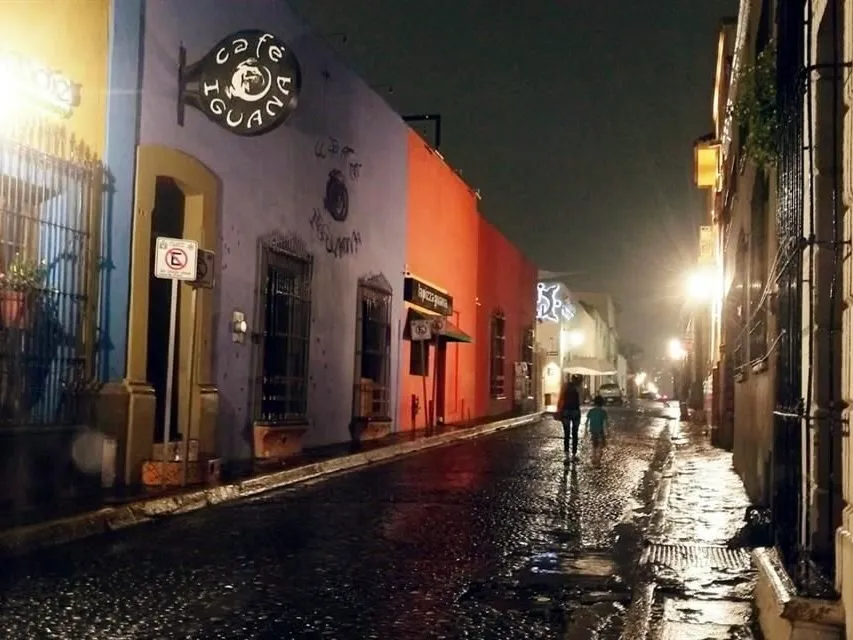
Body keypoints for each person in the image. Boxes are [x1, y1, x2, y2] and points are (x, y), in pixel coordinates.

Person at [557, 374, 583, 460]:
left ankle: (566, 454)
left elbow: (560, 398)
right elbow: (581, 400)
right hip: (575, 411)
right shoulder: (578, 388)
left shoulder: (565, 386)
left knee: (566, 434)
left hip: (566, 411)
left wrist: (559, 409)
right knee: (575, 433)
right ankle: (574, 454)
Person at [586, 395, 609, 462]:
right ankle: (598, 459)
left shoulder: (591, 411)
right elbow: (605, 423)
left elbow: (587, 422)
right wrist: (607, 431)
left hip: (592, 430)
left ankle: (593, 456)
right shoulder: (603, 412)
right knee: (601, 444)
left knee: (594, 444)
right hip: (600, 431)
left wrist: (585, 431)